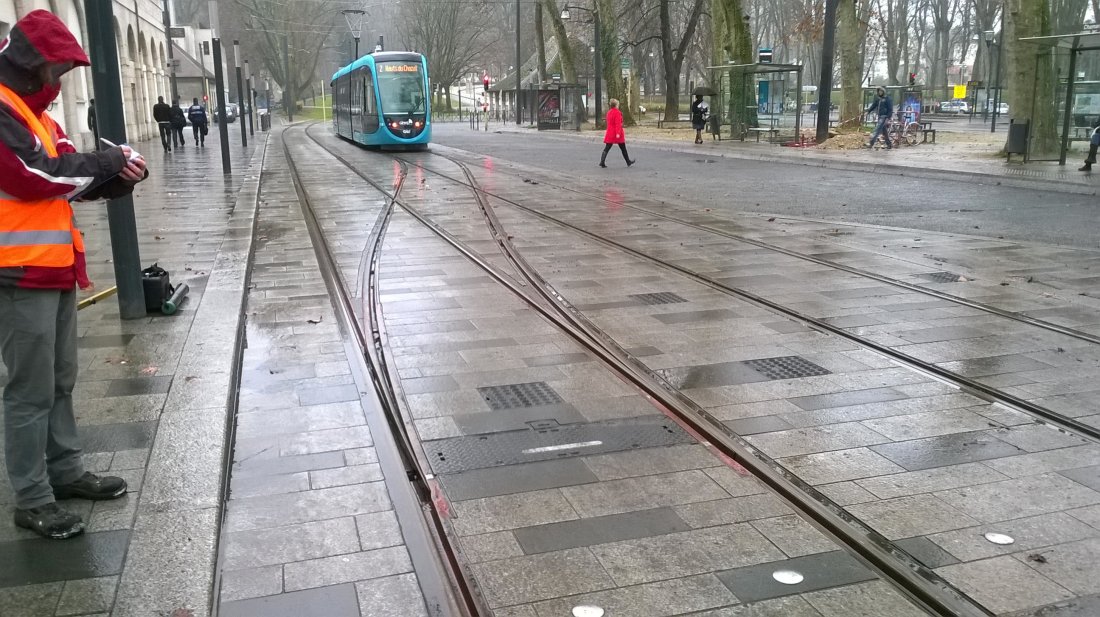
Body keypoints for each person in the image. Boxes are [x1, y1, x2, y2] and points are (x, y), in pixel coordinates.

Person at [0, 9, 146, 540]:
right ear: (30, 63)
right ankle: (32, 497)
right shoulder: (1, 108)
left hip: (52, 265)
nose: (59, 82)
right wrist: (104, 165)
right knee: (28, 390)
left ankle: (64, 473)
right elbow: (35, 176)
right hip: (16, 271)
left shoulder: (35, 113)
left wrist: (117, 178)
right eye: (56, 70)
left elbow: (69, 173)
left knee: (59, 382)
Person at [600, 98, 635, 168]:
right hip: (616, 133)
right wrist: (618, 133)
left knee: (607, 148)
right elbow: (618, 124)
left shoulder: (609, 112)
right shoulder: (618, 113)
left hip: (610, 132)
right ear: (616, 105)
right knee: (623, 148)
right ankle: (628, 161)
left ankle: (602, 161)